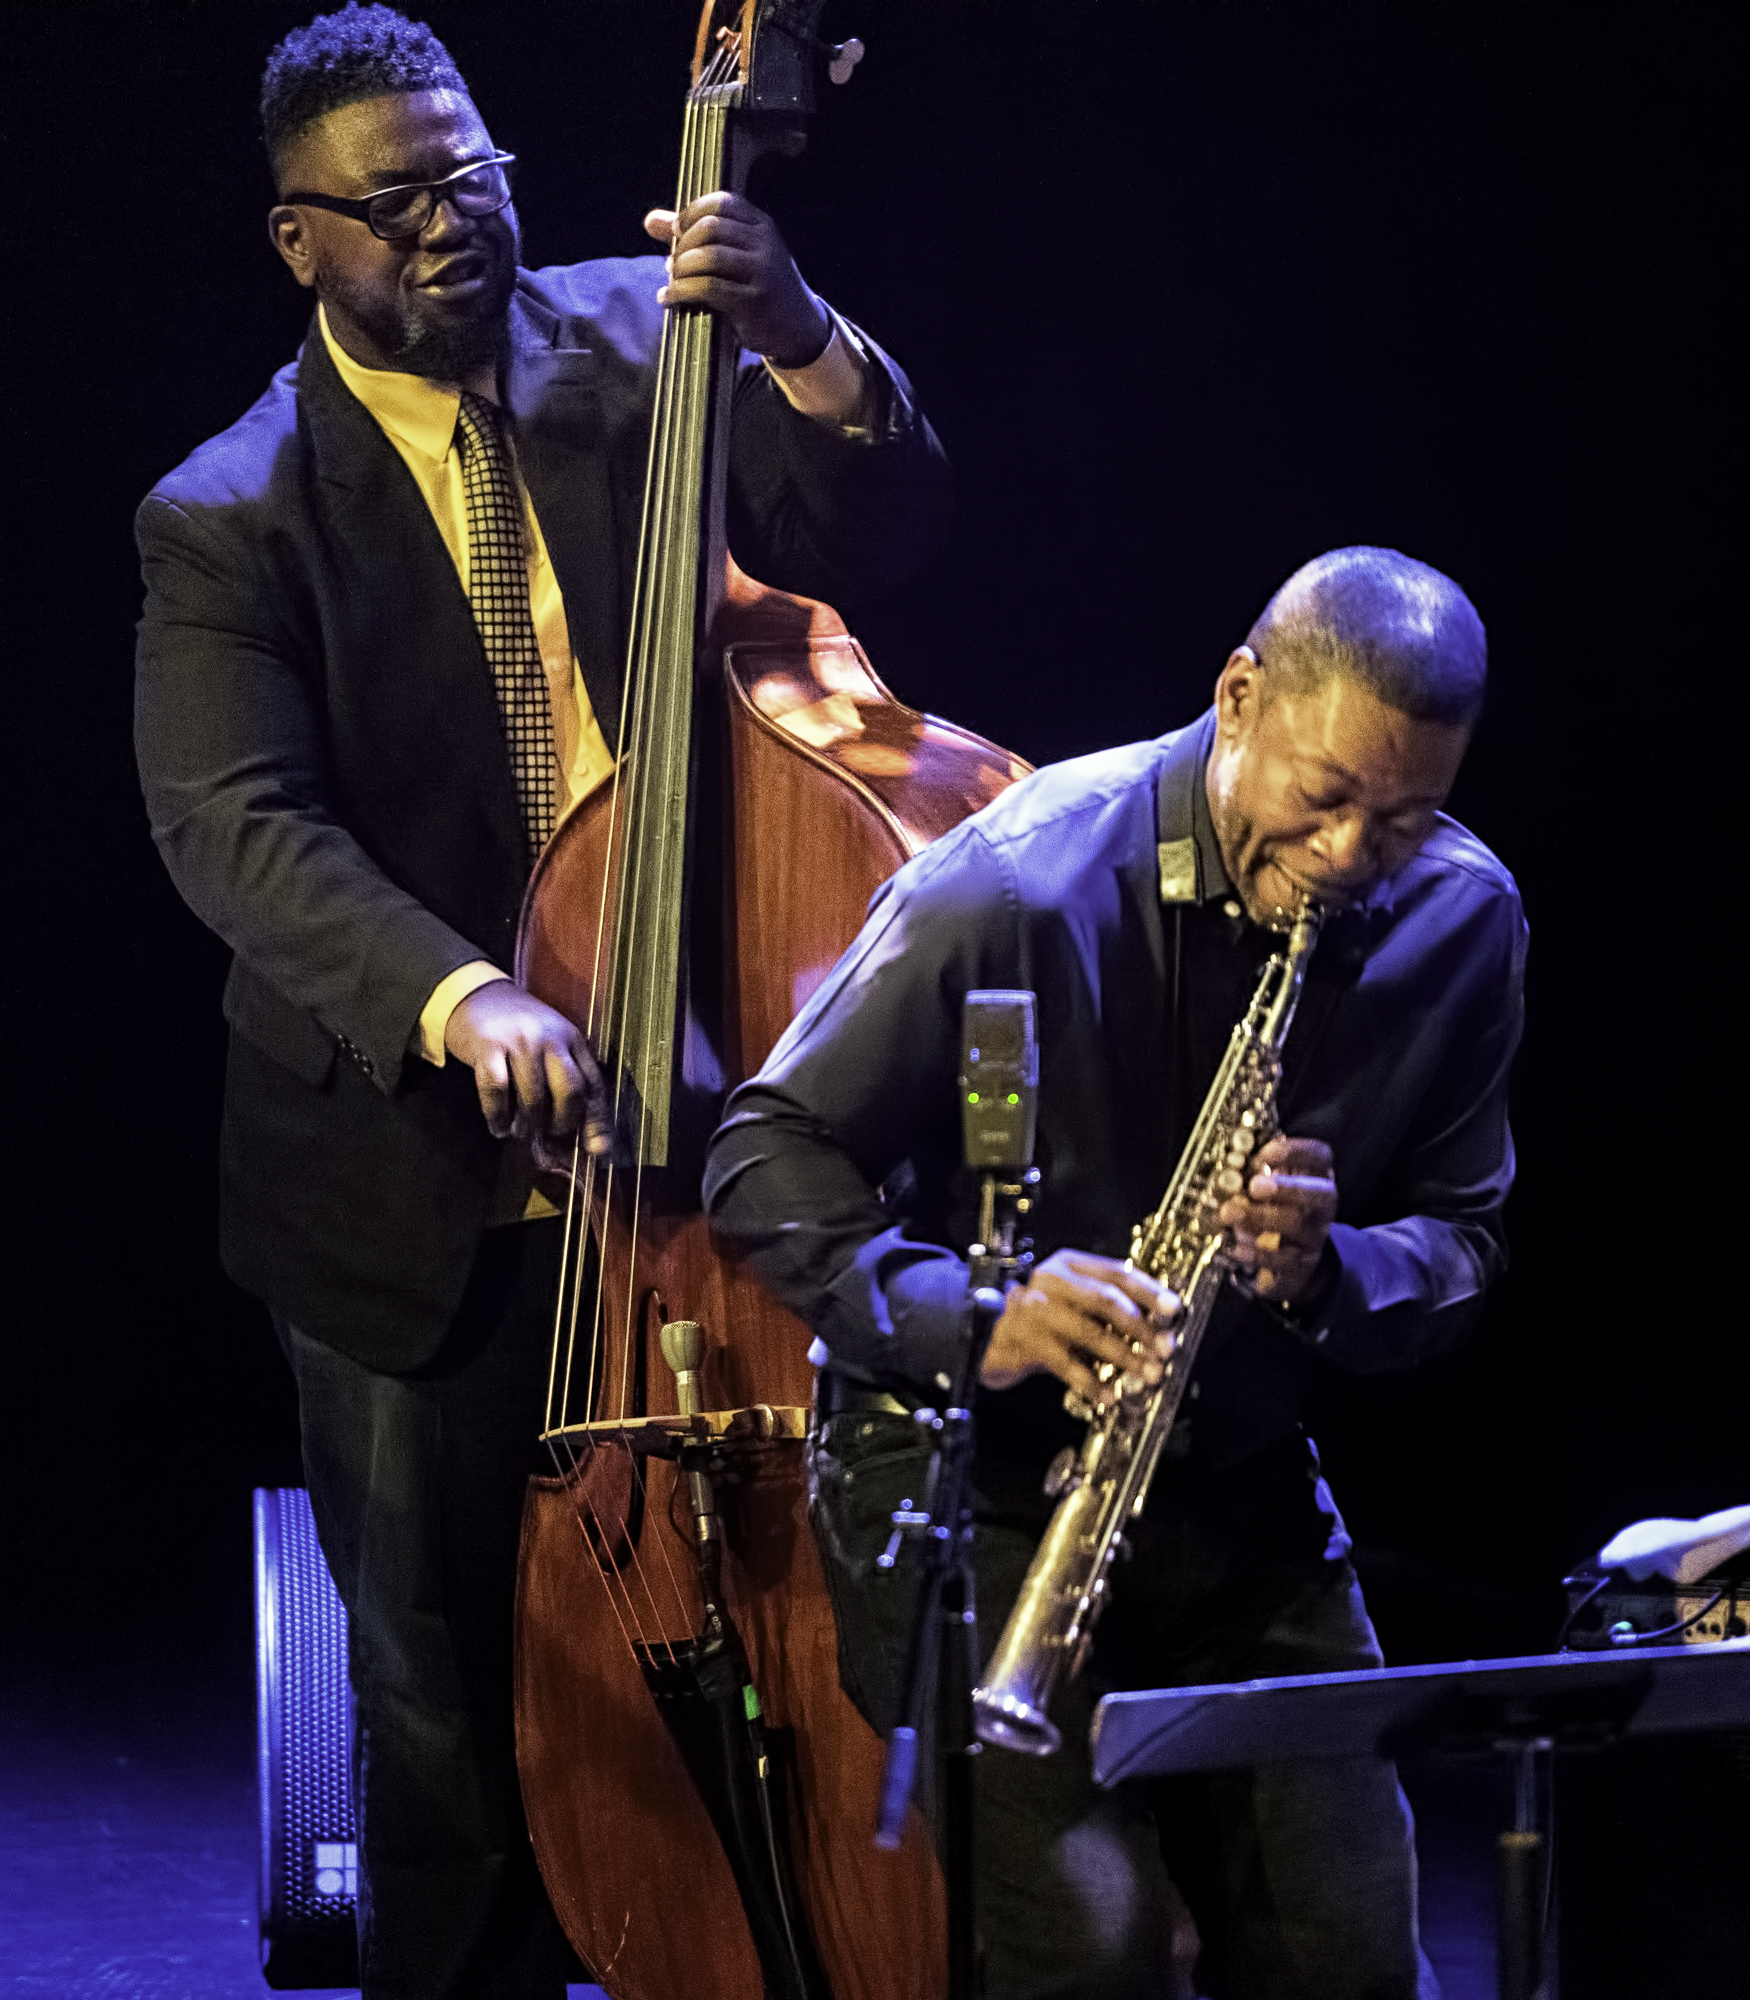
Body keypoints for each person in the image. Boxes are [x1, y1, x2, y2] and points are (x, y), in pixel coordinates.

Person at [132, 7, 949, 1995]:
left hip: (693, 1129)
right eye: (393, 200)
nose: (450, 224)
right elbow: (235, 825)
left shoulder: (638, 347)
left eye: (472, 173)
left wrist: (798, 331)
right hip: (419, 1188)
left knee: (782, 1641)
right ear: (295, 240)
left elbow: (885, 526)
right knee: (442, 1726)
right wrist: (465, 995)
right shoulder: (228, 513)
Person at [707, 546, 1527, 1999]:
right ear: (1238, 700)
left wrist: (1329, 1271)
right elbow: (764, 1158)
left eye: (1405, 819)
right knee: (1091, 1950)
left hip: (1237, 1495)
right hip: (975, 1490)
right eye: (1325, 797)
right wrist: (985, 1317)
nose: (1351, 860)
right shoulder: (1016, 879)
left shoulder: (1461, 918)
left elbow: (1465, 1245)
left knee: (1356, 1948)